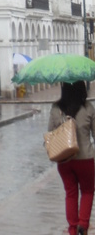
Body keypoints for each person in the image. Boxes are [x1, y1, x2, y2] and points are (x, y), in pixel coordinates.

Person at [49, 81, 95, 235]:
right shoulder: (88, 108)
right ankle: (83, 224)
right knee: (88, 191)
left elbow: (50, 133)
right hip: (85, 159)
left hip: (64, 160)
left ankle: (73, 229)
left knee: (70, 193)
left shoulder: (56, 109)